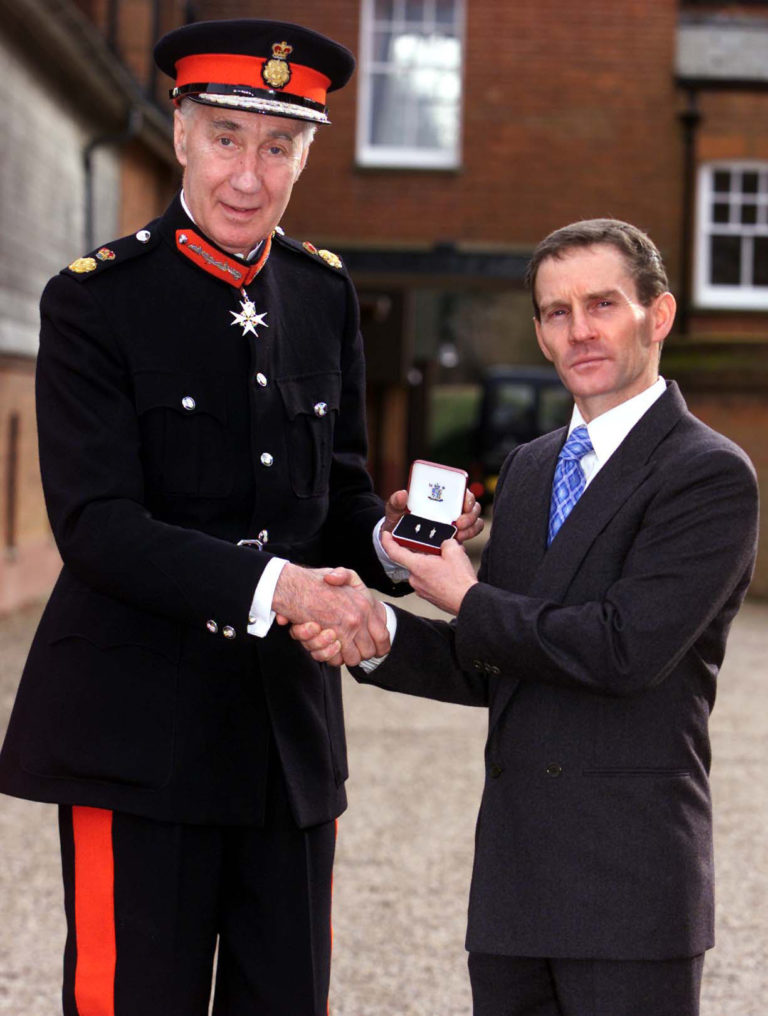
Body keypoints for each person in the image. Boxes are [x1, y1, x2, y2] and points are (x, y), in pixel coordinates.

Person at [0, 18, 482, 1016]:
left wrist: (391, 544)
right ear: (179, 132)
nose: (249, 175)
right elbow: (96, 524)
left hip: (286, 747)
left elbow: (337, 494)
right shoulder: (95, 302)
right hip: (134, 739)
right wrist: (284, 586)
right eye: (226, 136)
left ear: (308, 151)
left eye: (279, 144)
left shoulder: (323, 292)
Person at [291, 219, 760, 1016]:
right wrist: (375, 632)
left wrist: (464, 593)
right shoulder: (533, 467)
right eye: (555, 311)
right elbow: (495, 660)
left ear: (660, 315)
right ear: (540, 332)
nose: (579, 330)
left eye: (602, 304)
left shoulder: (708, 474)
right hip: (512, 887)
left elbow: (621, 650)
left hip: (629, 895)